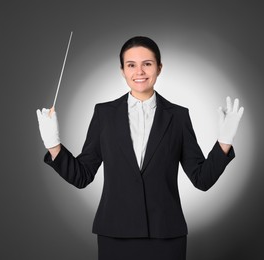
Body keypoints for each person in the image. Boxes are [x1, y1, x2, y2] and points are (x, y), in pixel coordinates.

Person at [36, 36, 244, 260]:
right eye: (131, 65)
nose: (140, 72)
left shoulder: (178, 116)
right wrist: (54, 145)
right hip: (115, 234)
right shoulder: (104, 114)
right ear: (122, 70)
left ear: (159, 68)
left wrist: (224, 141)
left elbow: (201, 179)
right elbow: (82, 176)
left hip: (166, 235)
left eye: (147, 63)